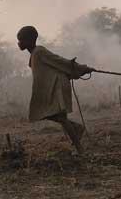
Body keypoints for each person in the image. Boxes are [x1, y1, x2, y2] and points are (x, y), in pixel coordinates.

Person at [17, 25, 94, 153]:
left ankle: (80, 150)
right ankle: (77, 128)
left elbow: (59, 61)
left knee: (60, 117)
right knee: (46, 112)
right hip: (52, 88)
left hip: (58, 86)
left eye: (21, 39)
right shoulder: (34, 54)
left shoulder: (39, 51)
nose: (19, 43)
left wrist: (81, 68)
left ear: (30, 40)